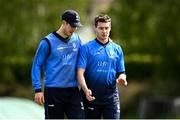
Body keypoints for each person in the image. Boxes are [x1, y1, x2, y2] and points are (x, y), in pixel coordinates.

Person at [31, 9, 84, 119]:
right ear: (64, 23)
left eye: (76, 26)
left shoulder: (77, 39)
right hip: (53, 92)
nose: (74, 29)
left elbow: (85, 56)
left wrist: (106, 41)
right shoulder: (47, 42)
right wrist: (37, 90)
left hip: (74, 90)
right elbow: (36, 65)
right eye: (72, 25)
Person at [77, 14, 127, 119]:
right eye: (100, 28)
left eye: (106, 28)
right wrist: (86, 90)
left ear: (110, 28)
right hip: (90, 97)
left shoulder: (117, 49)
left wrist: (122, 78)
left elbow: (121, 72)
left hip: (111, 98)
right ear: (95, 28)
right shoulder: (86, 48)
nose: (104, 31)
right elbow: (79, 73)